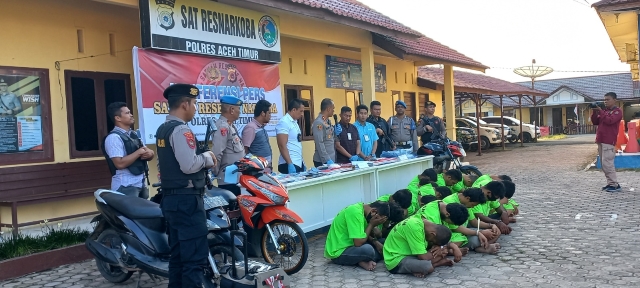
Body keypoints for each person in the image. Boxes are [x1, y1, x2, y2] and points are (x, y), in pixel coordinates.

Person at [155, 84, 217, 288]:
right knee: (194, 260)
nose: (195, 108)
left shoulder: (163, 129)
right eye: (194, 104)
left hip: (172, 201)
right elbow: (189, 165)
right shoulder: (181, 130)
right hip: (187, 202)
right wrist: (207, 157)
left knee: (178, 257)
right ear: (184, 104)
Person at [103, 102, 154, 199]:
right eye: (127, 113)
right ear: (117, 118)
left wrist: (150, 153)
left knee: (143, 214)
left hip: (141, 183)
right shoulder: (113, 138)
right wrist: (138, 152)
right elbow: (119, 164)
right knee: (128, 214)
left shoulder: (134, 134)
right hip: (125, 186)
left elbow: (147, 152)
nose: (131, 115)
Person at [324, 201, 391, 271]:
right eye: (378, 220)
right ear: (374, 211)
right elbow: (358, 242)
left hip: (353, 246)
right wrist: (371, 225)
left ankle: (363, 260)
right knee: (368, 250)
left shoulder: (364, 211)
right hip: (339, 251)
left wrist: (375, 242)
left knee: (384, 243)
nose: (377, 224)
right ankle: (361, 261)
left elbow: (366, 235)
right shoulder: (355, 213)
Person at [383, 216, 452, 278]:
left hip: (409, 253)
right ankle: (438, 263)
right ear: (433, 234)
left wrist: (441, 248)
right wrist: (441, 254)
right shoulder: (415, 228)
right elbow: (423, 257)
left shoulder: (423, 221)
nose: (432, 243)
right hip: (396, 260)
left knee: (437, 253)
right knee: (428, 267)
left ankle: (416, 268)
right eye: (433, 242)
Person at [442, 188, 499, 255]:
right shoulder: (449, 202)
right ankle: (450, 250)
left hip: (464, 232)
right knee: (475, 240)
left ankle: (483, 246)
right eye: (472, 205)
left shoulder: (466, 204)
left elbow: (474, 222)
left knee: (495, 232)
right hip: (453, 233)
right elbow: (455, 227)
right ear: (468, 198)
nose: (472, 207)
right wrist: (479, 232)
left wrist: (491, 225)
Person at [212, 96, 245, 196]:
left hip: (236, 178)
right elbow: (217, 152)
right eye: (238, 109)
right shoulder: (222, 127)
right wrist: (216, 173)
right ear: (231, 110)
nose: (239, 112)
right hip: (228, 180)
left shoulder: (229, 125)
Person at [591, 92, 623, 192]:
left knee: (608, 163)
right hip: (601, 140)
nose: (605, 102)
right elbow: (595, 122)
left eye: (608, 99)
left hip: (608, 140)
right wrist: (594, 111)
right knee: (604, 164)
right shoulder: (604, 111)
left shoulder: (617, 111)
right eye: (604, 100)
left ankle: (614, 185)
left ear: (614, 100)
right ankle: (611, 183)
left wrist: (601, 111)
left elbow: (610, 121)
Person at [276, 99, 306, 174]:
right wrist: (289, 163)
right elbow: (282, 145)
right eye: (301, 111)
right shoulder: (284, 122)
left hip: (298, 162)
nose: (302, 114)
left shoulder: (295, 122)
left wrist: (302, 162)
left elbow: (296, 143)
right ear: (294, 110)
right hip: (288, 163)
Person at [241, 99, 273, 171]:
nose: (270, 116)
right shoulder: (251, 128)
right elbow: (244, 150)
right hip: (257, 171)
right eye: (269, 113)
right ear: (263, 113)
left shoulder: (261, 127)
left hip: (266, 169)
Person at [313, 98, 336, 167]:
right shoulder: (319, 123)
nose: (333, 111)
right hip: (323, 160)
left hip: (331, 158)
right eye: (333, 109)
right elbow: (319, 142)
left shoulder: (326, 121)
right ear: (328, 109)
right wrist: (326, 159)